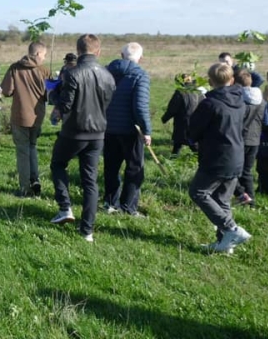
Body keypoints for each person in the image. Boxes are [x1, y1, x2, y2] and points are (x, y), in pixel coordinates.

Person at [49, 34, 116, 243]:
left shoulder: (73, 73)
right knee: (90, 180)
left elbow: (67, 104)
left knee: (58, 164)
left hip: (75, 131)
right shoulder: (108, 75)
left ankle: (65, 206)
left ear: (78, 51)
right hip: (98, 133)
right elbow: (107, 102)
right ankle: (87, 230)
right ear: (98, 51)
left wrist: (54, 99)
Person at [187, 63, 251, 253]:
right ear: (231, 80)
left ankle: (232, 229)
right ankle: (225, 243)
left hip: (216, 157)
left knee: (198, 192)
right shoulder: (241, 101)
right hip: (237, 155)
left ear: (209, 81)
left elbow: (194, 129)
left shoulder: (209, 104)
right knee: (222, 200)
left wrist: (193, 139)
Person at [102, 42, 152, 216]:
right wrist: (147, 131)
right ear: (140, 58)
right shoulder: (141, 76)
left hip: (107, 128)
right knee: (134, 169)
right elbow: (140, 106)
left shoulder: (105, 71)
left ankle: (109, 202)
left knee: (111, 166)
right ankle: (128, 207)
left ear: (121, 55)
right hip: (131, 130)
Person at [1, 41, 49, 198]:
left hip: (20, 116)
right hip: (37, 116)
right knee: (32, 147)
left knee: (22, 151)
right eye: (43, 55)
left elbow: (7, 91)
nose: (44, 58)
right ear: (37, 54)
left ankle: (25, 188)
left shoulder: (15, 68)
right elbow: (49, 94)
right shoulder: (43, 70)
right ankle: (35, 179)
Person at [232, 69, 265, 206]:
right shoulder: (262, 101)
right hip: (255, 139)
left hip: (239, 139)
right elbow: (266, 121)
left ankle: (241, 195)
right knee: (247, 170)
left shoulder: (238, 101)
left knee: (233, 170)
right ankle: (250, 198)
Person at [161, 75, 205, 155]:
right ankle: (174, 158)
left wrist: (165, 118)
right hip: (196, 123)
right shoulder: (198, 92)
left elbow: (172, 109)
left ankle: (199, 159)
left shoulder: (180, 92)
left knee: (183, 142)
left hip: (182, 123)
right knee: (182, 143)